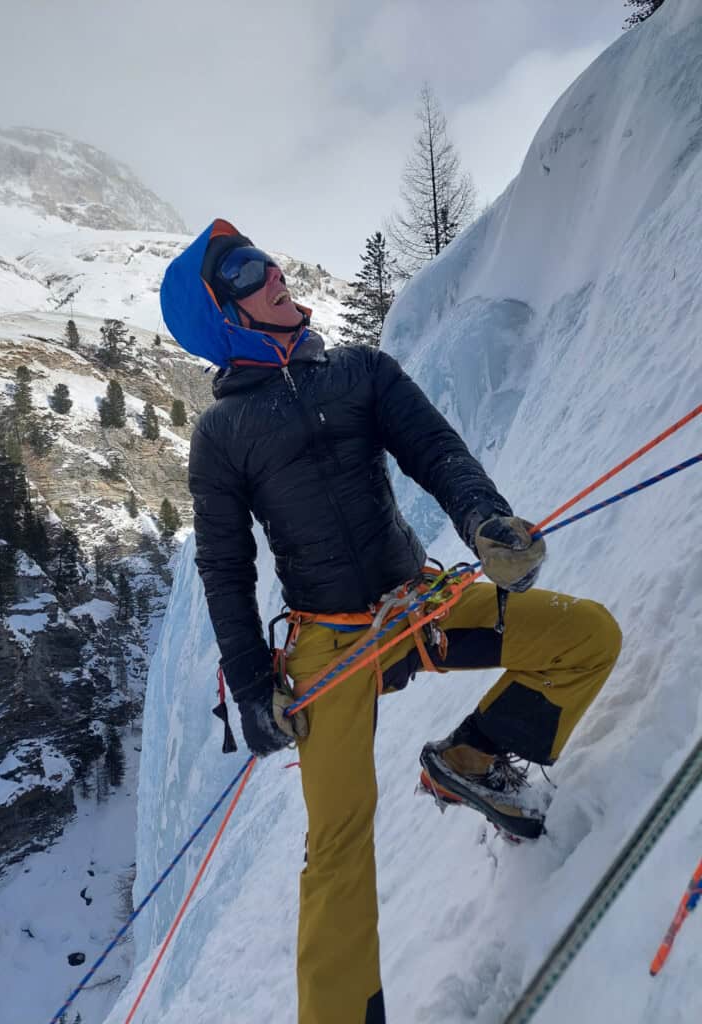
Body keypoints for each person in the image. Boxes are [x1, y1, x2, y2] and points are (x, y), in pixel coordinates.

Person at [160, 218, 622, 1024]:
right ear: (224, 318)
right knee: (338, 849)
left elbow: (436, 452)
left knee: (585, 636)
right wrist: (249, 682)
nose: (269, 268)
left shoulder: (360, 373)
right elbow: (225, 568)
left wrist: (486, 522)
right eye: (241, 270)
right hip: (327, 645)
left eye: (262, 255)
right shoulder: (222, 436)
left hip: (420, 608)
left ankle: (472, 759)